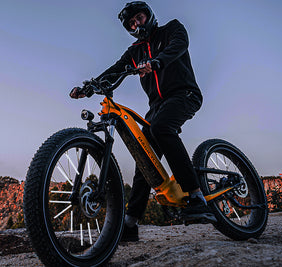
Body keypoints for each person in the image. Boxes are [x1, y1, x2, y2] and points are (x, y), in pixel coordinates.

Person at [70, 1, 216, 242]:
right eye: (132, 23)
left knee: (161, 128)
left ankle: (196, 195)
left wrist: (157, 61)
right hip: (157, 106)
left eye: (139, 18)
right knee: (144, 154)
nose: (136, 24)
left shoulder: (172, 29)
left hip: (184, 94)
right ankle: (130, 222)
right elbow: (116, 69)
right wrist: (89, 87)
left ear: (149, 16)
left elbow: (179, 45)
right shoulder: (135, 51)